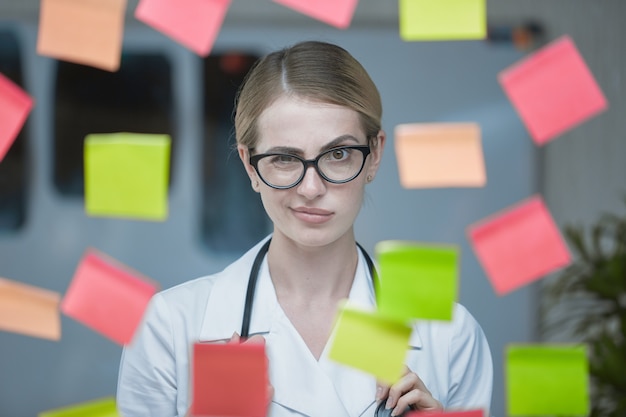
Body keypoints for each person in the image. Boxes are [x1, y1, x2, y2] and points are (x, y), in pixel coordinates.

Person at [116, 40, 493, 417]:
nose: (311, 189)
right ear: (250, 166)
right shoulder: (170, 326)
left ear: (374, 155)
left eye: (339, 154)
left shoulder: (450, 335)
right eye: (283, 158)